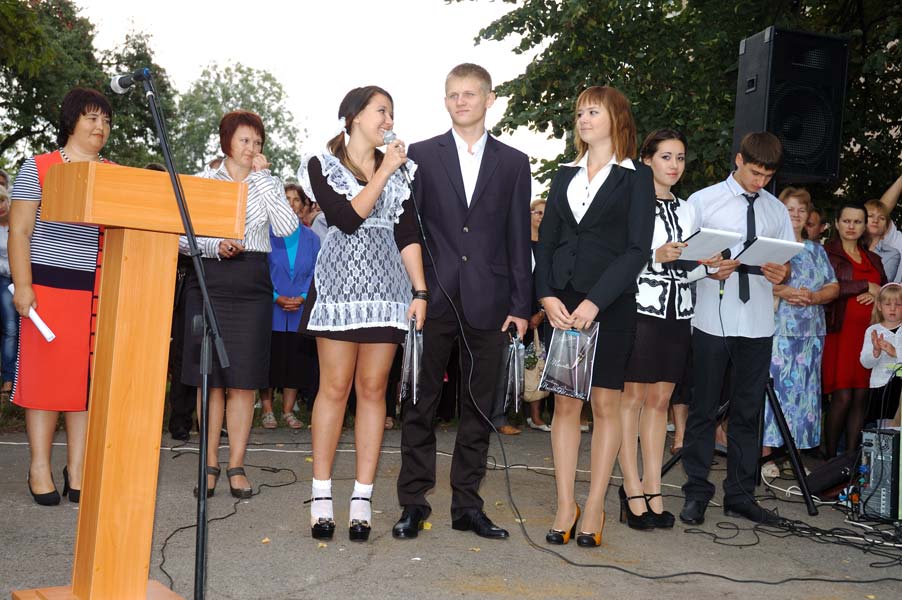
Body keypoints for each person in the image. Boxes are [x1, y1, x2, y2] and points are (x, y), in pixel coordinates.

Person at [394, 63, 532, 542]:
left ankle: (467, 506)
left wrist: (521, 305)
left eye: (470, 94)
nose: (460, 102)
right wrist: (418, 290)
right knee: (420, 403)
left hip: (491, 300)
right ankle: (413, 503)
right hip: (433, 297)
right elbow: (408, 227)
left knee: (479, 407)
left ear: (489, 99)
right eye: (453, 94)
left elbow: (519, 237)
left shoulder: (513, 162)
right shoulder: (420, 155)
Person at [298, 85, 426, 543]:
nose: (388, 120)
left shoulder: (403, 172)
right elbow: (347, 219)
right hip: (339, 288)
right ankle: (320, 495)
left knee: (373, 390)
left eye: (391, 113)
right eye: (380, 111)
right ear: (353, 117)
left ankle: (362, 499)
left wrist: (420, 290)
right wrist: (385, 170)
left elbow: (407, 234)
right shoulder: (322, 165)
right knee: (334, 388)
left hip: (387, 292)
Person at [536, 85, 655, 547]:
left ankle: (596, 506)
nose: (584, 119)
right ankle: (565, 504)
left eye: (594, 112)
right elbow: (546, 241)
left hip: (611, 303)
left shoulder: (637, 177)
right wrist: (546, 296)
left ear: (616, 119)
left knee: (606, 406)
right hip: (563, 305)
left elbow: (636, 249)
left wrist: (596, 302)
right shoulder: (564, 174)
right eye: (580, 112)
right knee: (565, 405)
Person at [179, 110, 298, 499]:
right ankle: (209, 463)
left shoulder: (268, 182)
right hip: (210, 279)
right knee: (210, 380)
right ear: (227, 141)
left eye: (257, 142)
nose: (251, 147)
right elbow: (181, 237)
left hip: (252, 282)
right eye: (245, 140)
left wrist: (263, 179)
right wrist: (215, 245)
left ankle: (236, 465)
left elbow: (287, 228)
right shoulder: (204, 181)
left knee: (244, 381)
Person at [678, 132, 793, 527]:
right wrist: (709, 269)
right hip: (712, 317)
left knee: (748, 411)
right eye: (755, 173)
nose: (760, 182)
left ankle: (741, 495)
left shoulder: (776, 210)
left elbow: (785, 261)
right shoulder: (703, 201)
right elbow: (682, 262)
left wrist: (781, 272)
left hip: (758, 320)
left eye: (768, 176)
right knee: (704, 408)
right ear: (739, 160)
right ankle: (696, 492)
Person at [8, 87, 113, 505]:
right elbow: (20, 231)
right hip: (46, 291)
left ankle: (79, 468)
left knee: (84, 384)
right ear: (71, 121)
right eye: (92, 118)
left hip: (97, 292)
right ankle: (39, 466)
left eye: (106, 121)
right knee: (45, 381)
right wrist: (24, 285)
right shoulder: (38, 167)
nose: (100, 127)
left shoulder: (114, 174)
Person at [619, 129, 718, 530]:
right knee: (632, 399)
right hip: (638, 308)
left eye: (679, 157)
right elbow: (615, 258)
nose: (674, 165)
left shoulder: (688, 209)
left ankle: (654, 488)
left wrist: (710, 268)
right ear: (646, 160)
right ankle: (630, 489)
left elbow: (687, 266)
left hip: (679, 313)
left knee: (661, 401)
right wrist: (654, 256)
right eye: (665, 156)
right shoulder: (629, 201)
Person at [760, 188, 838, 477]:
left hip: (811, 335)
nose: (795, 214)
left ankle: (793, 456)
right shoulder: (770, 246)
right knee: (775, 394)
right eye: (790, 209)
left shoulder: (817, 250)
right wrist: (786, 291)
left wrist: (815, 297)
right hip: (778, 331)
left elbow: (833, 286)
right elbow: (756, 282)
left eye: (801, 210)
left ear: (809, 216)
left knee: (803, 396)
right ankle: (766, 457)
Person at [822, 203, 887, 458]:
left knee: (862, 397)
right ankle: (829, 460)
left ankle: (850, 461)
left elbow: (886, 292)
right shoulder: (826, 253)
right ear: (837, 223)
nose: (851, 226)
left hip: (869, 336)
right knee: (842, 398)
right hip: (840, 334)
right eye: (846, 221)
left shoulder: (874, 259)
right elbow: (827, 288)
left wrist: (877, 294)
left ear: (864, 226)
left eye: (857, 222)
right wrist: (865, 285)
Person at [259, 184, 320, 430]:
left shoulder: (312, 238)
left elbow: (316, 271)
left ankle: (288, 411)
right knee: (269, 360)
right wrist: (276, 297)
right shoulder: (266, 234)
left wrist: (304, 296)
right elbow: (261, 271)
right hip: (272, 307)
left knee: (295, 362)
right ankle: (267, 410)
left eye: (296, 200)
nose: (292, 204)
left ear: (304, 206)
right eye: (286, 199)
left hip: (300, 310)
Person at [859, 284, 902, 427]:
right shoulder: (873, 330)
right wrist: (875, 352)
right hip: (881, 386)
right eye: (888, 304)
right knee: (884, 427)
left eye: (898, 305)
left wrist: (895, 352)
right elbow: (865, 363)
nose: (893, 308)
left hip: (900, 388)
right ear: (879, 306)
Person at [525, 197, 551, 431]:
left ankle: (536, 416)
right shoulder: (520, 244)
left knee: (538, 362)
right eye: (538, 212)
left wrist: (541, 312)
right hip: (518, 312)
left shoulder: (550, 247)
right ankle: (506, 415)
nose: (541, 217)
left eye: (545, 213)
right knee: (513, 363)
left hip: (543, 314)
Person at [0, 188, 17, 402]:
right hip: (4, 278)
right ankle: (8, 379)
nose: (0, 207)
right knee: (11, 328)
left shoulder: (20, 218)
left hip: (27, 277)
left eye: (2, 200)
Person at [865, 199, 901, 282]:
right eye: (870, 216)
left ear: (886, 227)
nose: (875, 220)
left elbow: (881, 284)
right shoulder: (850, 246)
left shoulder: (891, 253)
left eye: (882, 218)